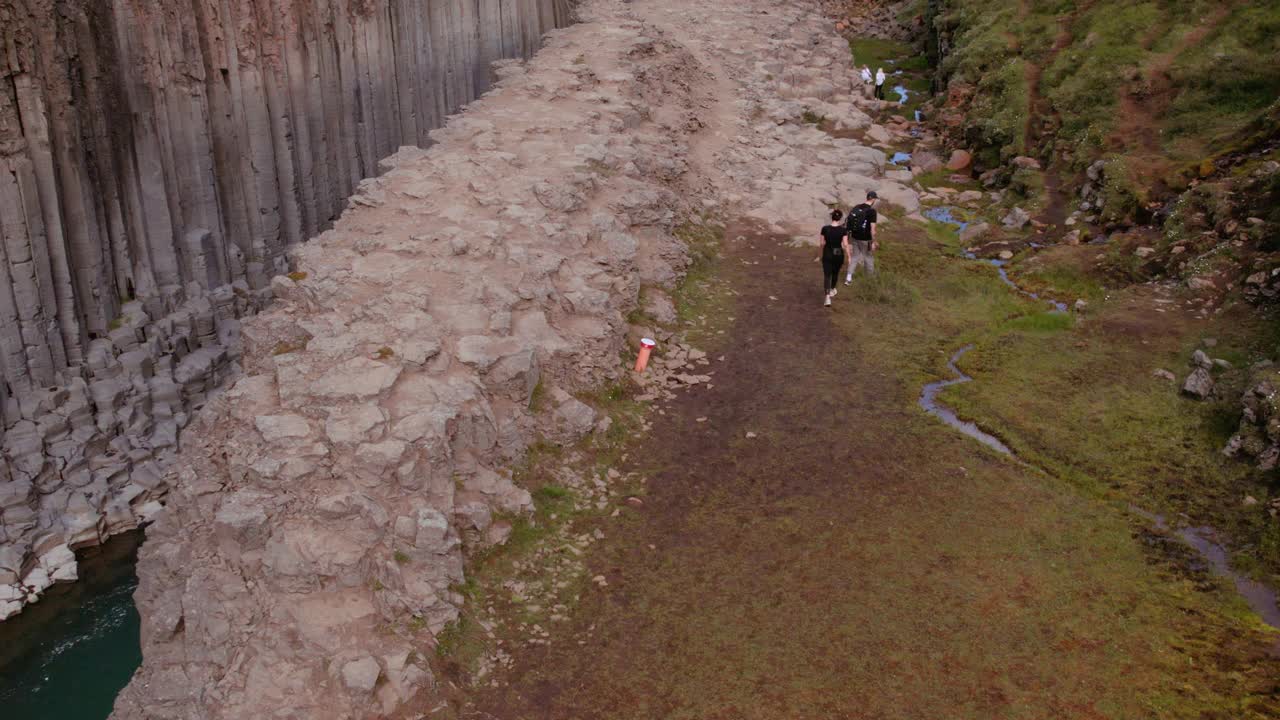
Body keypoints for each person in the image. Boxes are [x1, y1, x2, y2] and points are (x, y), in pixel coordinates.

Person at [845, 190, 879, 283]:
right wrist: (874, 242)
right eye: (875, 199)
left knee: (855, 257)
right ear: (873, 199)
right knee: (868, 258)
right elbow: (873, 229)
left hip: (855, 237)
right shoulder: (872, 211)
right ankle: (870, 280)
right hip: (865, 239)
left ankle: (848, 278)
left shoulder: (857, 207)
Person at [818, 209, 850, 307]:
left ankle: (827, 297)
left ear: (832, 217)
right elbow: (845, 244)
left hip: (827, 253)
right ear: (840, 218)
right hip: (838, 254)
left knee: (827, 276)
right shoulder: (843, 230)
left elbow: (822, 243)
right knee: (835, 273)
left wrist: (819, 254)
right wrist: (849, 256)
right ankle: (832, 289)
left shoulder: (825, 229)